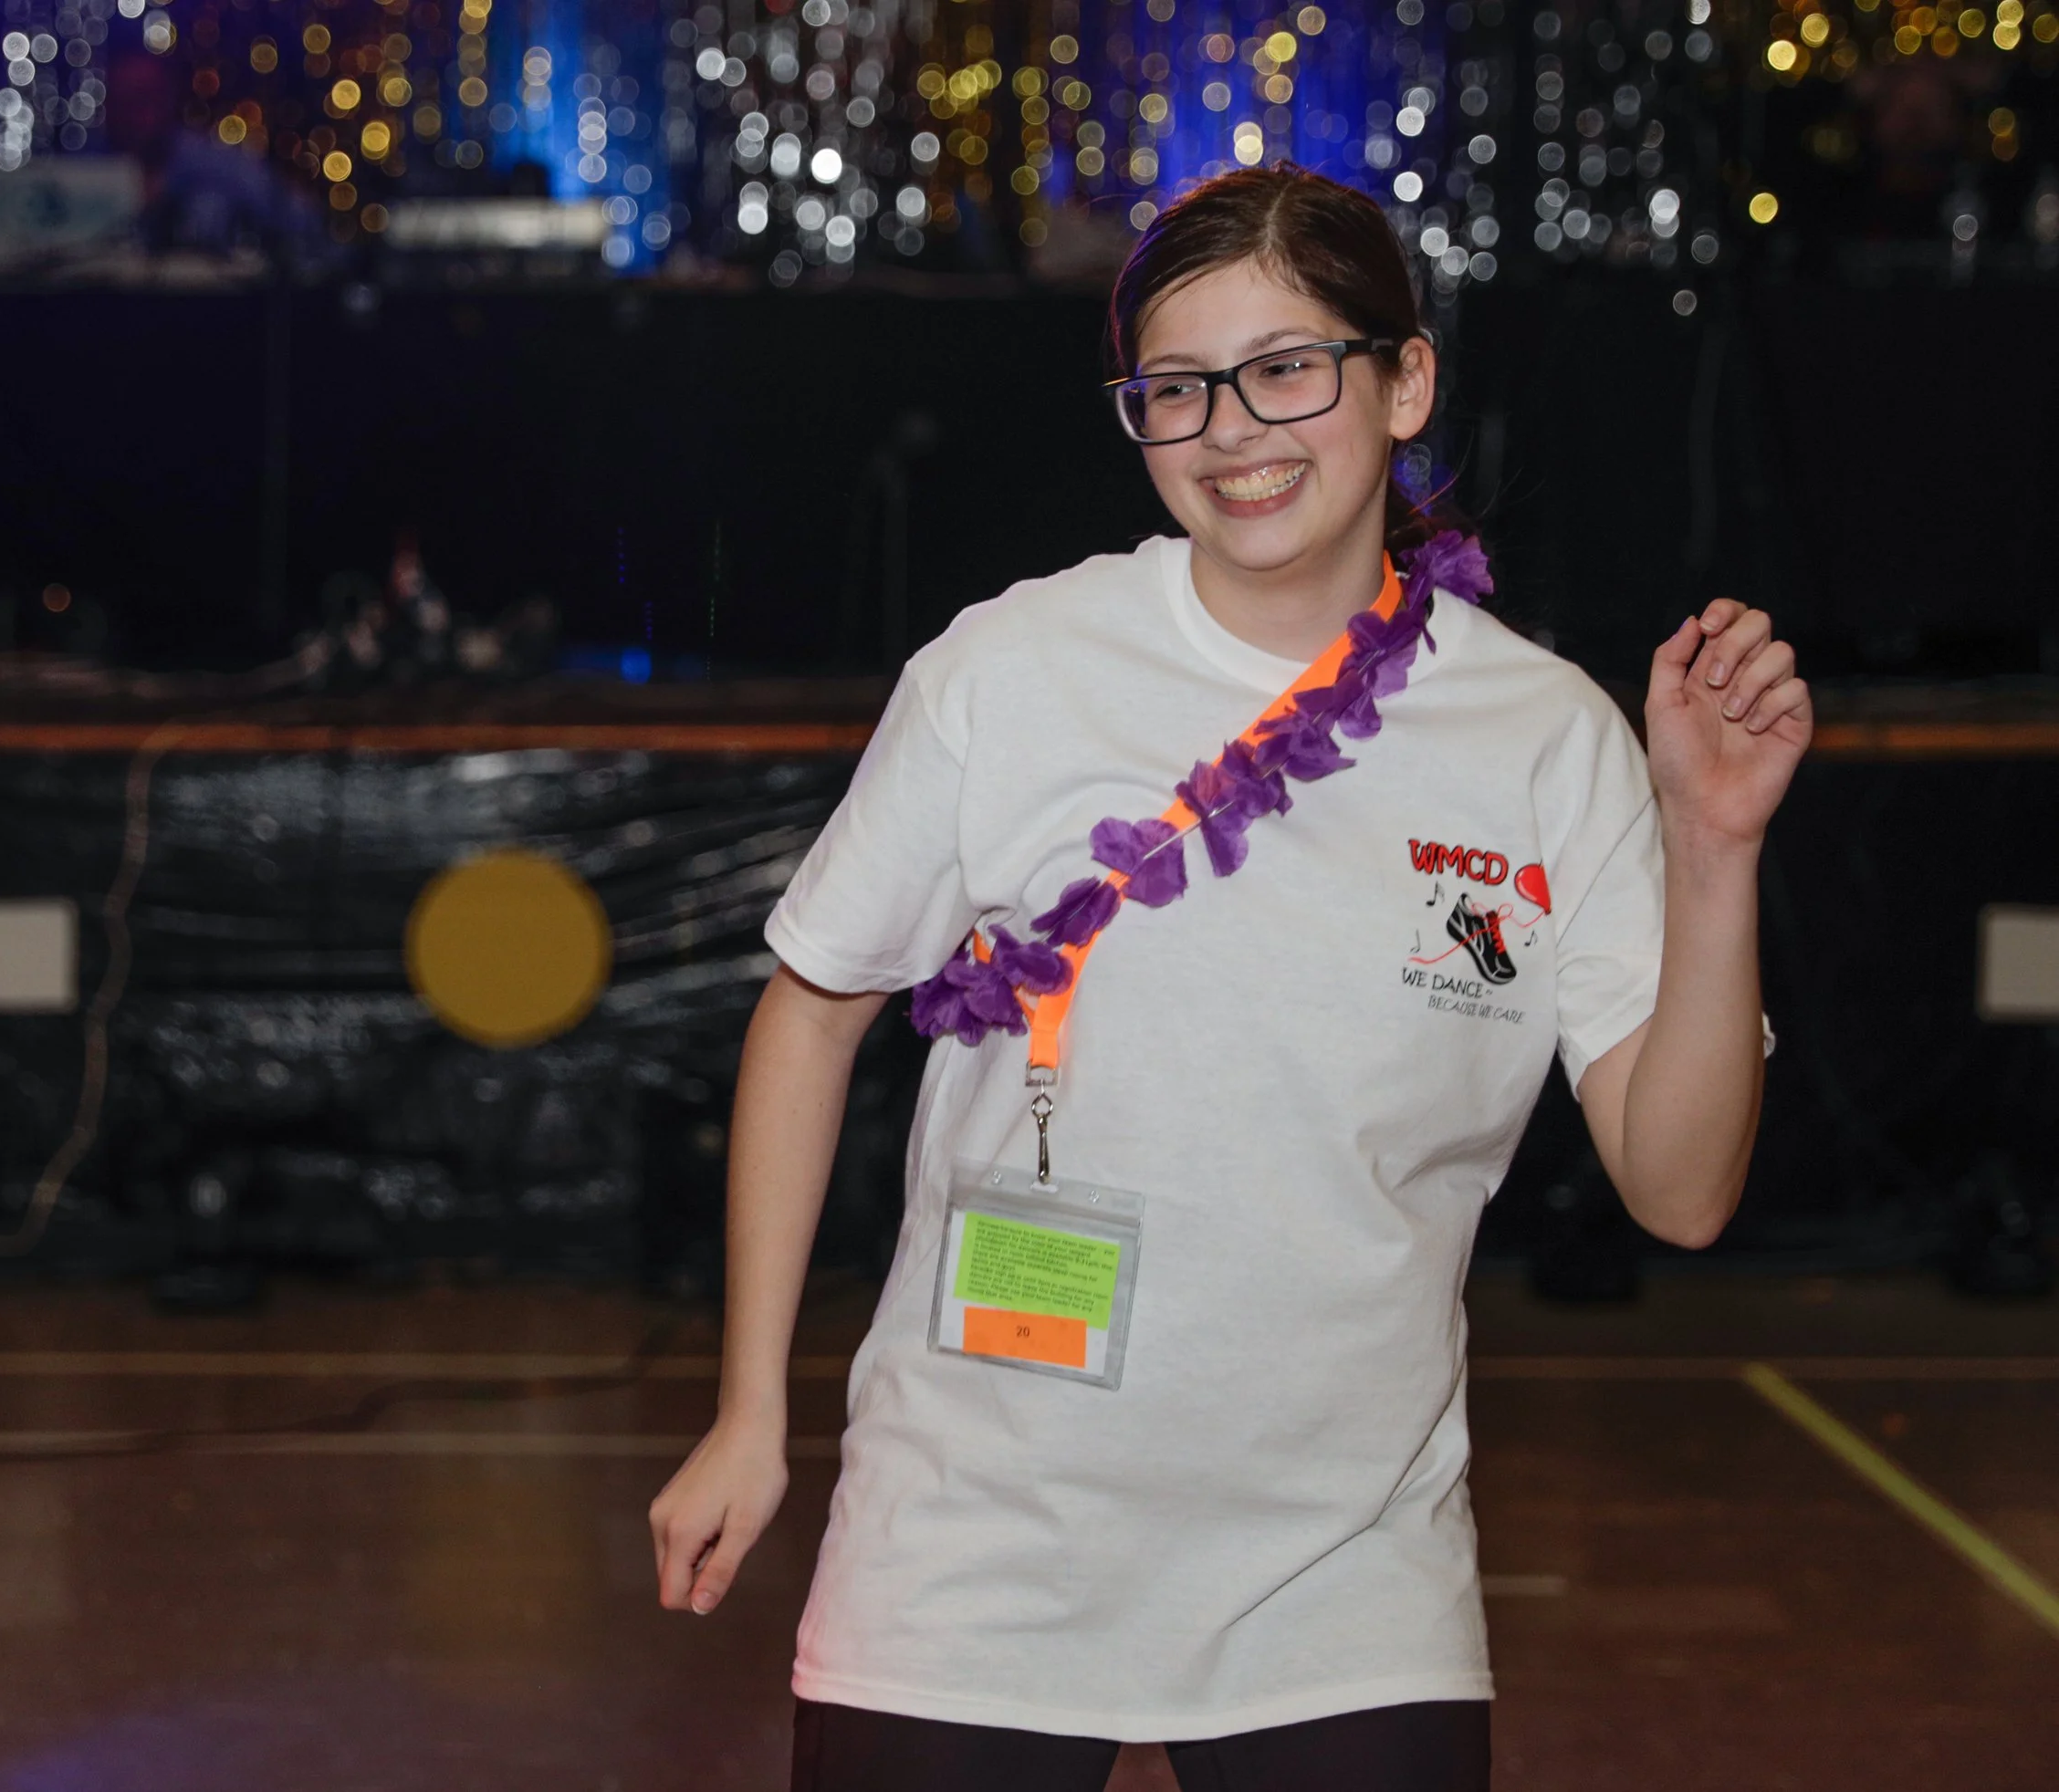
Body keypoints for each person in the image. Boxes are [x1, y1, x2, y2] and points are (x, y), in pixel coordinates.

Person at [649, 163, 1811, 1792]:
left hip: (1347, 1582)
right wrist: (747, 1411)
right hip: (971, 1551)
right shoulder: (1014, 668)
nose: (1231, 431)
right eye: (1178, 388)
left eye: (1286, 369)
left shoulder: (1544, 736)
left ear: (1405, 381)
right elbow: (814, 1006)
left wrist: (1714, 850)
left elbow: (1681, 1192)